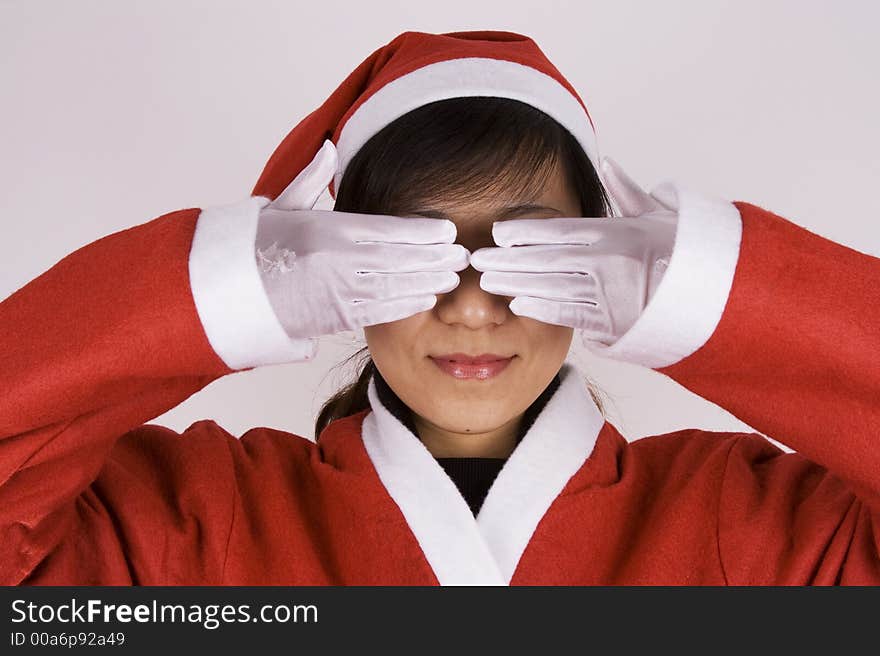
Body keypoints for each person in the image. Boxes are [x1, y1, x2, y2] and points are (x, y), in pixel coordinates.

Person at [1, 29, 877, 586]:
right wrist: (218, 291)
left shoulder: (755, 527)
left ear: (604, 256)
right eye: (409, 253)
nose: (470, 307)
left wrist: (721, 294)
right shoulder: (189, 526)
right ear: (325, 269)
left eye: (523, 250)